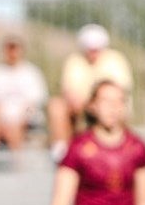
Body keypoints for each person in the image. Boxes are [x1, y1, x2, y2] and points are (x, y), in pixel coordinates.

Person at [47, 24, 134, 162]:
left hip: (105, 106)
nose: (93, 52)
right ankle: (62, 153)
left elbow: (118, 93)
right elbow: (70, 92)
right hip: (85, 108)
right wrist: (90, 104)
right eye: (90, 48)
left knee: (109, 105)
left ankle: (117, 152)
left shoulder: (116, 60)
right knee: (56, 105)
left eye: (96, 49)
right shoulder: (74, 61)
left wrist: (100, 103)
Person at [0, 35, 48, 152]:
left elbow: (33, 106)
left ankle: (17, 166)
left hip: (25, 118)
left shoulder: (32, 73)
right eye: (9, 48)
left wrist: (22, 120)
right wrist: (0, 122)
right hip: (2, 119)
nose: (12, 52)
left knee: (14, 130)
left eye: (15, 48)